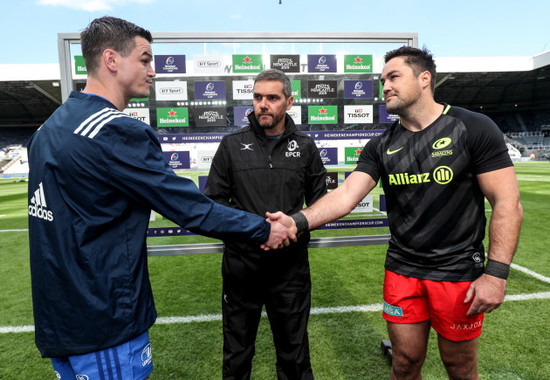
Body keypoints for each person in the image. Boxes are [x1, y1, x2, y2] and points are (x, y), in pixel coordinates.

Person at [27, 17, 294, 380]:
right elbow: (191, 209)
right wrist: (264, 229)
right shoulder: (115, 131)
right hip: (103, 319)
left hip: (60, 319)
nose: (153, 71)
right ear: (111, 59)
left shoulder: (50, 127)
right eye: (144, 59)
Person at [268, 46, 523, 379]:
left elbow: (507, 203)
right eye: (382, 80)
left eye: (393, 77)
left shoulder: (472, 127)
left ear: (424, 79)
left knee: (460, 366)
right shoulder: (381, 145)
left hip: (458, 271)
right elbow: (346, 195)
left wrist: (497, 274)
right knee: (404, 362)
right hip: (403, 269)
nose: (385, 86)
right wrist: (296, 221)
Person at [204, 69, 327, 379]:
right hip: (241, 267)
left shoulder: (306, 146)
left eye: (272, 98)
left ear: (289, 102)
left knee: (294, 354)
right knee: (237, 353)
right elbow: (213, 202)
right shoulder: (232, 144)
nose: (263, 104)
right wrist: (258, 229)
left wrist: (292, 229)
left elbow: (320, 205)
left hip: (290, 269)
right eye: (258, 97)